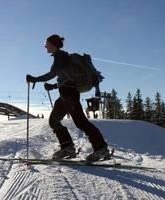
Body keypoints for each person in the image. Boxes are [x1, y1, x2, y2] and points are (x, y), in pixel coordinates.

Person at [26, 34, 109, 162]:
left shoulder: (61, 56)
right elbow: (65, 78)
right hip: (65, 95)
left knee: (81, 122)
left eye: (46, 44)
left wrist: (35, 79)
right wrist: (53, 86)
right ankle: (67, 147)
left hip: (70, 95)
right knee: (54, 121)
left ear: (53, 44)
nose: (45, 46)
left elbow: (53, 74)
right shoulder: (61, 57)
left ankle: (101, 148)